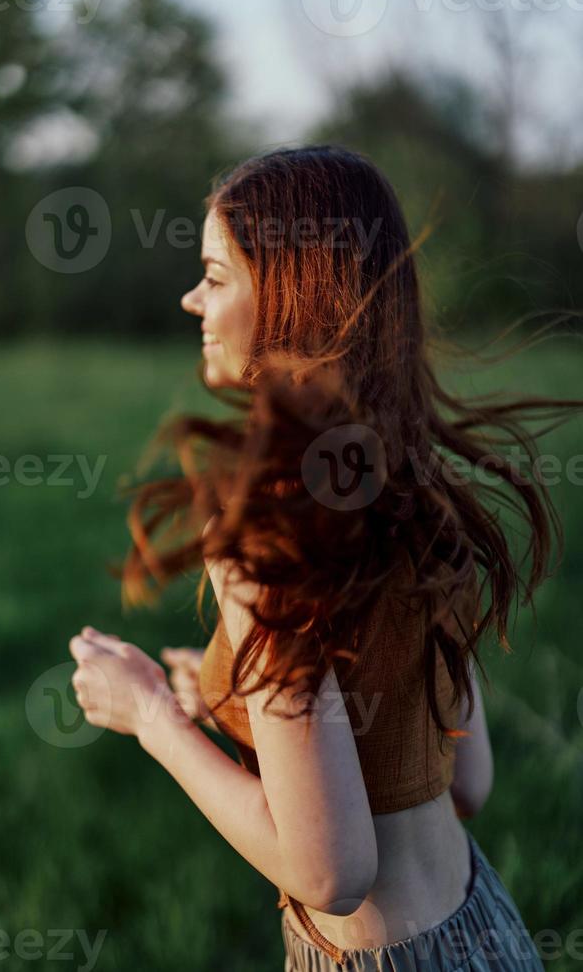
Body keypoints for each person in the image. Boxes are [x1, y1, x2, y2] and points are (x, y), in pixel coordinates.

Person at [69, 145, 583, 970]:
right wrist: (232, 691)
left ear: (286, 301)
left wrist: (149, 717)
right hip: (485, 924)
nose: (192, 297)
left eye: (216, 275)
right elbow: (464, 781)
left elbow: (330, 871)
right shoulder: (416, 488)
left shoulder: (262, 530)